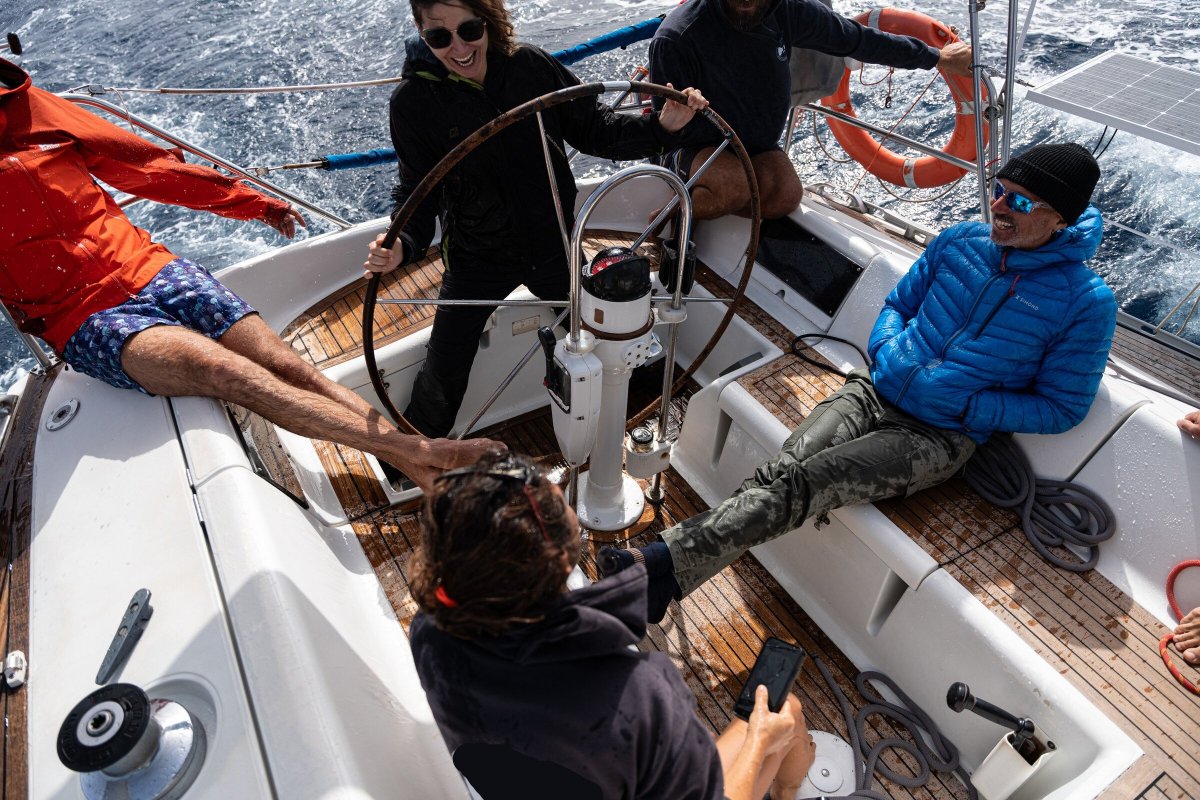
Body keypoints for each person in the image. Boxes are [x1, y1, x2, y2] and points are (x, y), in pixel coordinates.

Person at [600, 142, 1119, 622]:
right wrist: (888, 349)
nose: (1000, 207)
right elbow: (898, 306)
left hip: (937, 435)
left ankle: (654, 563)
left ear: (1059, 219)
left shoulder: (1085, 302)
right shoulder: (959, 241)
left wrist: (971, 408)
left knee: (811, 480)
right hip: (873, 389)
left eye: (1021, 203)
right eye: (998, 190)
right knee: (785, 468)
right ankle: (658, 586)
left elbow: (1063, 405)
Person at [0, 56, 496, 491]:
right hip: (80, 317)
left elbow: (146, 167)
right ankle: (423, 454)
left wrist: (251, 203)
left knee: (291, 366)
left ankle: (419, 459)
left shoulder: (32, 109)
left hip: (148, 266)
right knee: (221, 370)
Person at [364, 0, 708, 439]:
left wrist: (663, 127)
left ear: (486, 21)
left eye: (469, 29)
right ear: (422, 33)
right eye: (439, 37)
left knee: (620, 346)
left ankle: (666, 420)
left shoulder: (529, 66)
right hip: (476, 257)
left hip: (554, 245)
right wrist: (401, 246)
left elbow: (596, 130)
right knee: (442, 379)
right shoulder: (414, 103)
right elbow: (418, 192)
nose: (459, 47)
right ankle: (413, 462)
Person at [408, 450, 816, 800]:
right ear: (564, 563)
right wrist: (762, 737)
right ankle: (785, 792)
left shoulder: (430, 632)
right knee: (787, 714)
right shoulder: (641, 697)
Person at [648, 0, 973, 220]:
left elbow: (856, 40)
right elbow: (662, 134)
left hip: (754, 147)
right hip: (690, 149)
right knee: (734, 184)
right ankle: (670, 216)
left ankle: (720, 209)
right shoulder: (677, 37)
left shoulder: (786, 11)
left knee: (787, 193)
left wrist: (936, 58)